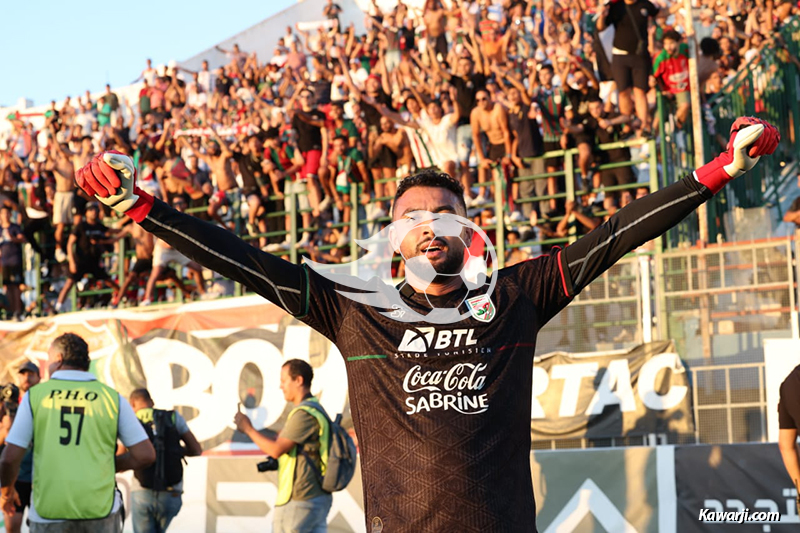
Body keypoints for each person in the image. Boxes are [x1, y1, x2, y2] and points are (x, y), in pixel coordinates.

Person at [76, 117, 778, 532]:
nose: (428, 226)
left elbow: (615, 236)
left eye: (442, 212)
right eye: (412, 217)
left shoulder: (518, 294)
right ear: (394, 238)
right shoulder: (352, 307)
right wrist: (145, 210)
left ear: (468, 227)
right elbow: (247, 259)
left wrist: (714, 172)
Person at [0, 333, 155, 532]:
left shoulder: (35, 396)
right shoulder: (112, 398)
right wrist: (109, 466)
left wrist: (6, 494)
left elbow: (8, 459)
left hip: (50, 513)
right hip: (101, 511)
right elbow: (146, 455)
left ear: (58, 359)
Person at [233, 359, 332, 533]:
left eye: (284, 380)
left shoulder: (303, 414)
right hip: (315, 497)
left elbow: (276, 450)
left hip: (300, 499)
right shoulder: (317, 409)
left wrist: (248, 429)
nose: (281, 386)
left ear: (298, 380)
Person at [126, 388, 202, 533]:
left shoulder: (133, 421)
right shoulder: (173, 417)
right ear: (152, 402)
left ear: (132, 404)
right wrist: (177, 451)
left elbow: (120, 456)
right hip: (171, 493)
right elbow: (196, 450)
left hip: (142, 492)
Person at [0, 362, 41, 533]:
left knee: (40, 528)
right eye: (23, 374)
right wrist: (5, 429)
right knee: (12, 527)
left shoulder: (45, 403)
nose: (27, 378)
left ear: (39, 377)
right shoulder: (6, 406)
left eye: (31, 374)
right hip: (15, 478)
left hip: (41, 478)